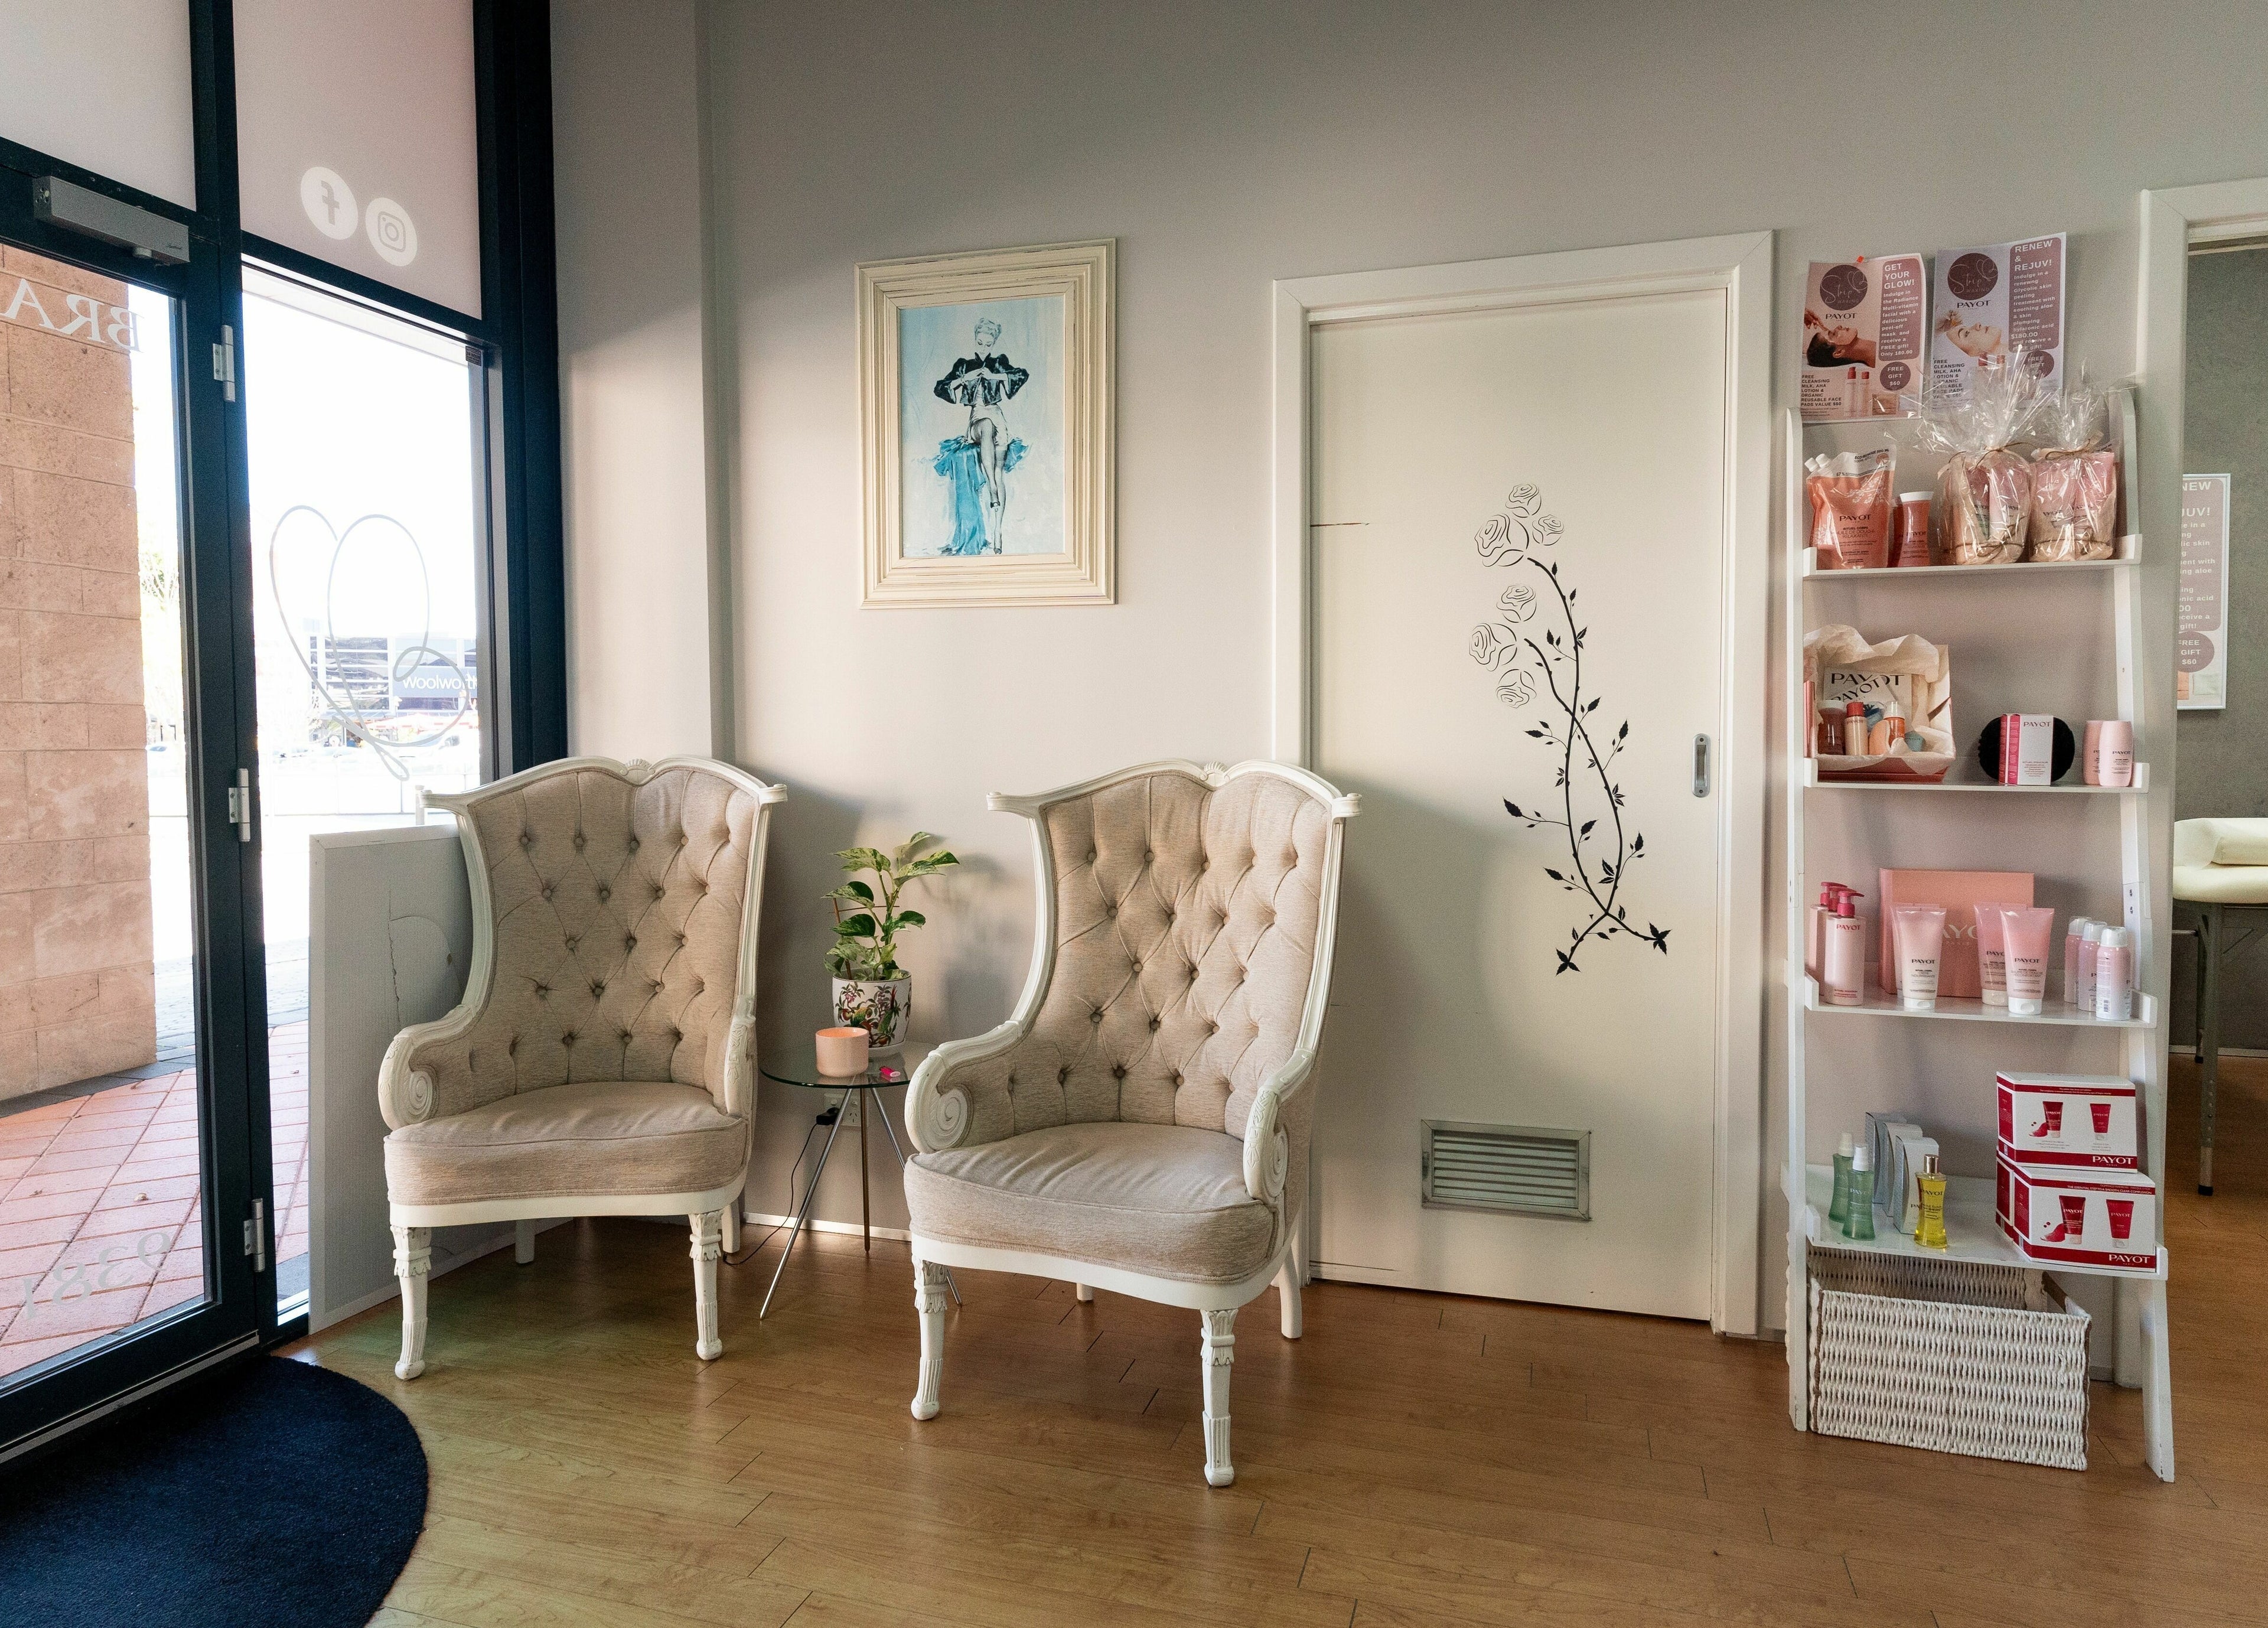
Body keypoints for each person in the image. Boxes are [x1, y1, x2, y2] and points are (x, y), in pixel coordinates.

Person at [931, 317, 1029, 555]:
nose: (984, 347)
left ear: (993, 343)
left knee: (999, 471)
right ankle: (992, 491)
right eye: (980, 343)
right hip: (978, 419)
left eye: (988, 344)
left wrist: (994, 376)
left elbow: (1022, 375)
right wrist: (964, 380)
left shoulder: (998, 363)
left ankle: (998, 531)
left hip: (999, 418)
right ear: (976, 340)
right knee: (985, 425)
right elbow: (940, 387)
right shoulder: (964, 364)